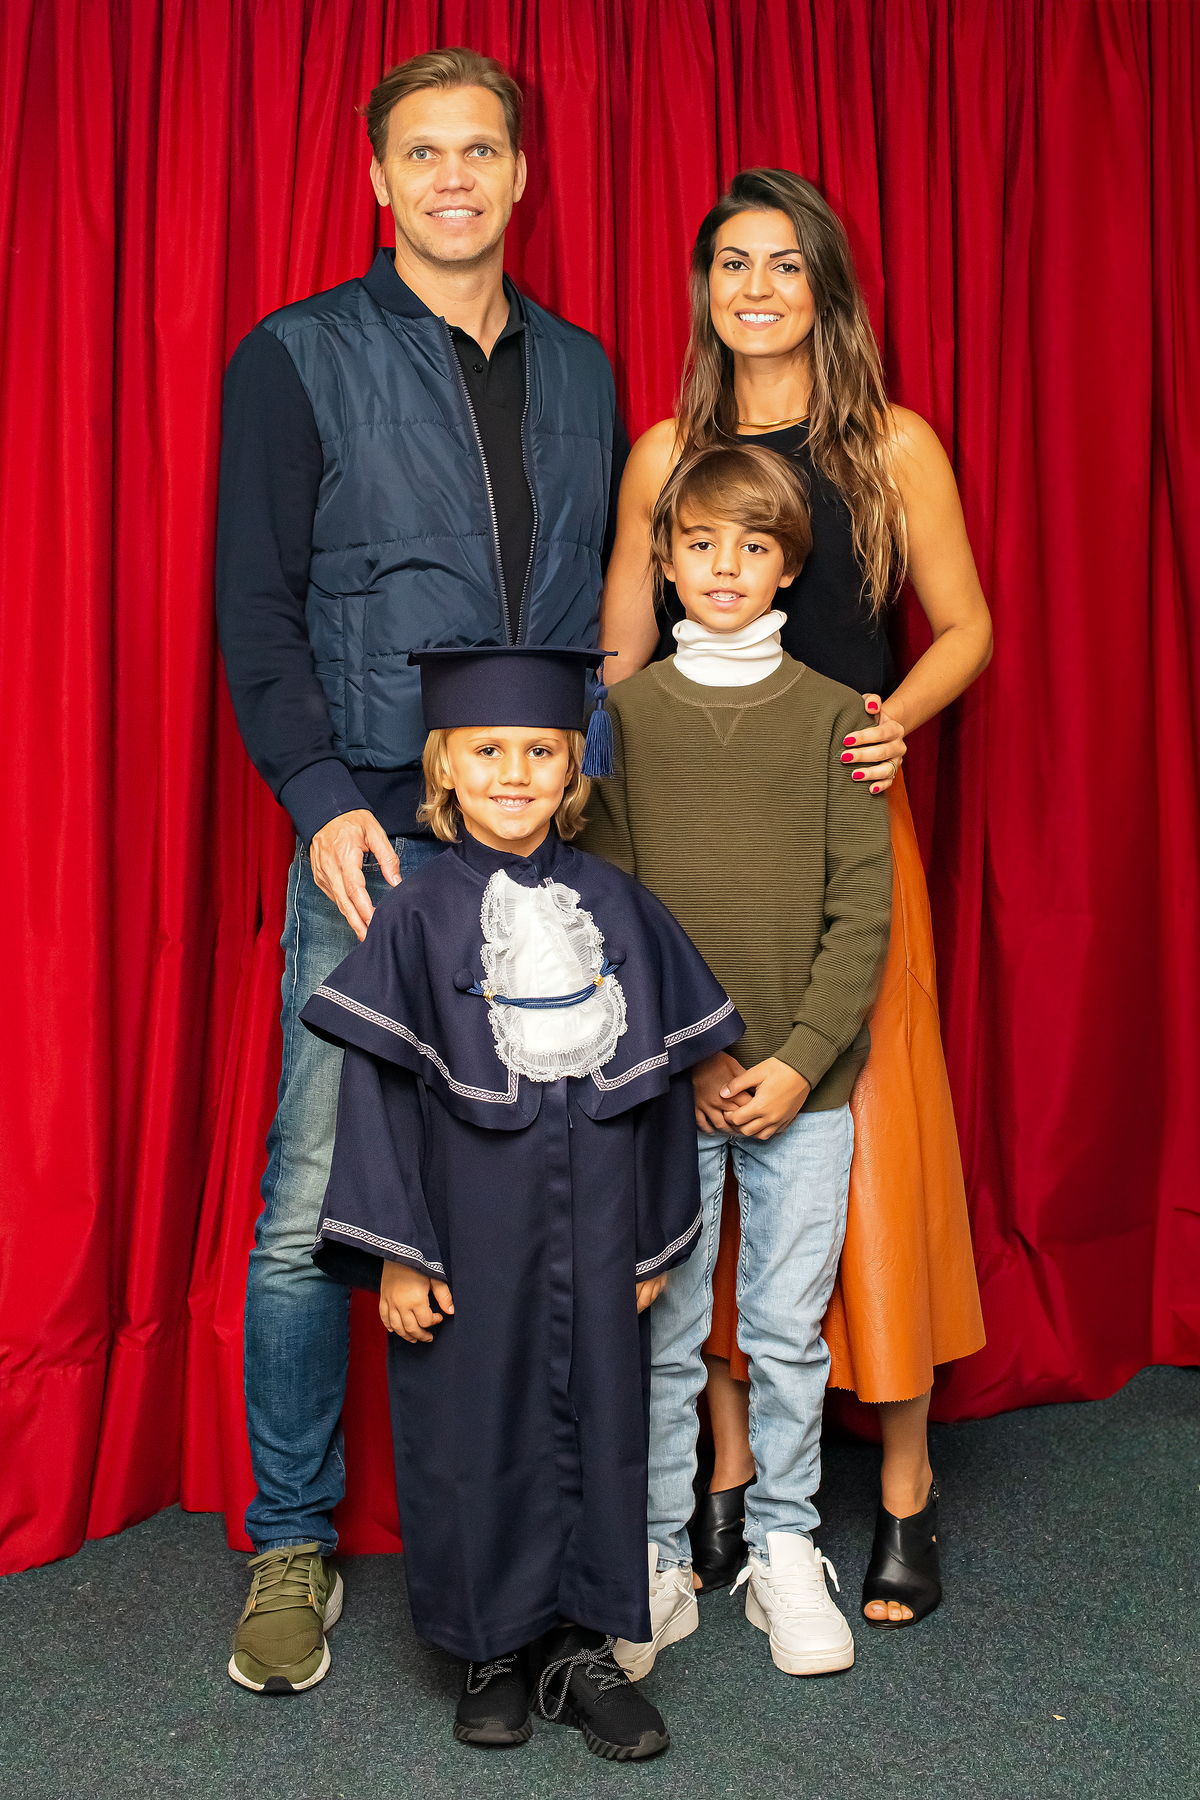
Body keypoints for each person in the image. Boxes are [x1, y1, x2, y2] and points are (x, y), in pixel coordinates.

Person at [215, 48, 629, 1693]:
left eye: (481, 150)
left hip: (542, 834)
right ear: (379, 180)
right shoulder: (295, 354)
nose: (454, 178)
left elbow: (602, 608)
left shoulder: (586, 371)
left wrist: (601, 780)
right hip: (375, 835)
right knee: (316, 1198)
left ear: (521, 175)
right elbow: (254, 605)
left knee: (550, 1192)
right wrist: (318, 796)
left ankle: (553, 1550)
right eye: (422, 153)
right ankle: (291, 1542)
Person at [599, 167, 990, 1629]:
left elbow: (966, 625)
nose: (755, 289)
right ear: (704, 289)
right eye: (731, 264)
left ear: (826, 289)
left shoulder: (893, 443)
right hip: (697, 843)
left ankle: (904, 1485)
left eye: (783, 264)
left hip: (844, 837)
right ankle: (729, 1474)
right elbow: (622, 657)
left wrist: (896, 722)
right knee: (695, 1140)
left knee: (871, 1155)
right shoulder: (666, 454)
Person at [300, 645, 744, 1756]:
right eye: (487, 751)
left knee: (602, 1422)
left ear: (572, 766)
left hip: (599, 1227)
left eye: (541, 752)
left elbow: (658, 1092)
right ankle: (489, 1649)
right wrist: (399, 1252)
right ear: (443, 767)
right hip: (466, 1232)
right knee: (471, 1424)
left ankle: (582, 1647)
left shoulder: (622, 907)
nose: (514, 774)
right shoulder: (412, 916)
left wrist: (654, 1242)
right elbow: (376, 1098)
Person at [581, 443, 893, 1677]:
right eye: (701, 544)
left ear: (787, 569)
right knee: (662, 1334)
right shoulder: (626, 720)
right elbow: (612, 915)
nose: (725, 567)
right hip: (670, 1088)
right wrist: (695, 1058)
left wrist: (800, 1061)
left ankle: (783, 1548)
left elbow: (860, 915)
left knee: (786, 1332)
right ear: (664, 562)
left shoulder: (835, 718)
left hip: (804, 1092)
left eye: (753, 547)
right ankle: (659, 1557)